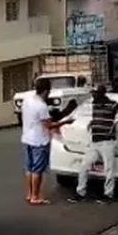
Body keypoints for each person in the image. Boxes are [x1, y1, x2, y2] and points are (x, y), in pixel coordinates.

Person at [69, 85, 118, 203]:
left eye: (95, 93)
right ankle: (80, 192)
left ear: (101, 94)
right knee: (84, 167)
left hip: (107, 141)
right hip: (95, 141)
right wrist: (93, 122)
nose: (93, 95)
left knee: (109, 169)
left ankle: (108, 194)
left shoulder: (112, 104)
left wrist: (117, 122)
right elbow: (97, 117)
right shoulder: (95, 105)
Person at [21, 77, 73, 205]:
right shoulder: (41, 106)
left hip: (27, 137)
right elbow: (49, 126)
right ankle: (35, 196)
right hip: (39, 140)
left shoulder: (27, 100)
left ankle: (30, 193)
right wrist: (65, 122)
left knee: (29, 168)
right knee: (37, 170)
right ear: (46, 91)